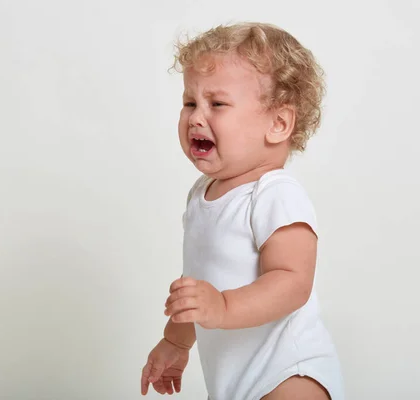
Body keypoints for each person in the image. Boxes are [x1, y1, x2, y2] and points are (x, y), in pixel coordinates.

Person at [141, 22, 345, 400]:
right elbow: (198, 284)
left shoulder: (275, 194)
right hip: (234, 382)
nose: (196, 117)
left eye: (217, 104)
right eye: (190, 103)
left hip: (289, 373)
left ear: (278, 123)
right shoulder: (202, 195)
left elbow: (293, 282)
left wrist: (222, 306)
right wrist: (177, 341)